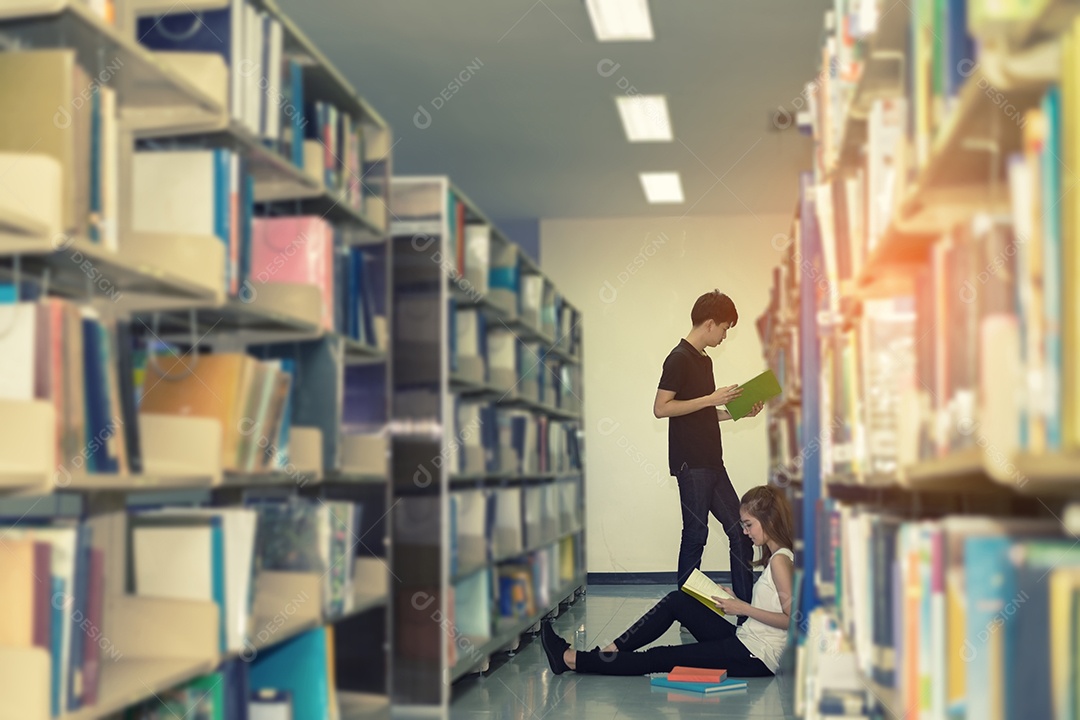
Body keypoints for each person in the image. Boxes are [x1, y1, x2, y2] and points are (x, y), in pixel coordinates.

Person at [540, 485, 794, 677]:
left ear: (769, 520)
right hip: (746, 639)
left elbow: (792, 621)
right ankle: (611, 650)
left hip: (754, 657)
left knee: (660, 657)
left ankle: (571, 659)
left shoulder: (781, 562)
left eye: (749, 525)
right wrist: (736, 601)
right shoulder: (778, 558)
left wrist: (743, 608)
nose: (744, 531)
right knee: (679, 600)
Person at [653, 290, 762, 601]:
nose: (726, 335)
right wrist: (712, 399)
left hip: (713, 460)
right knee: (696, 534)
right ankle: (686, 608)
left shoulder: (704, 361)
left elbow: (700, 412)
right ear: (711, 323)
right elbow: (662, 408)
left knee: (741, 532)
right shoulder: (678, 358)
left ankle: (745, 608)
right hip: (691, 463)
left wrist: (733, 412)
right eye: (726, 328)